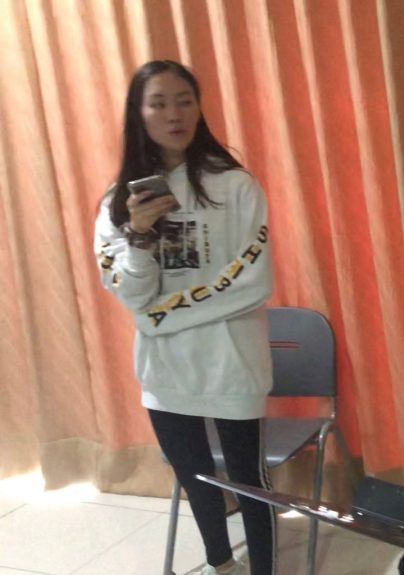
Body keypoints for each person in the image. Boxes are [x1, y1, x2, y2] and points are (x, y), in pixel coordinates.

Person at [94, 60, 275, 575]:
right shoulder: (116, 205)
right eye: (159, 103)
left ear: (199, 108)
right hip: (166, 370)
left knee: (249, 483)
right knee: (194, 481)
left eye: (184, 101)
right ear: (138, 113)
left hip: (232, 362)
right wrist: (139, 238)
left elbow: (254, 282)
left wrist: (160, 318)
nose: (174, 114)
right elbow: (132, 294)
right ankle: (221, 564)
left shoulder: (236, 187)